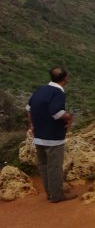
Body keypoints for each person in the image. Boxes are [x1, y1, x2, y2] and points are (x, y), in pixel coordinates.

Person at [26, 66, 76, 203]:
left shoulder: (41, 89)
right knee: (54, 167)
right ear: (65, 78)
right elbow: (57, 113)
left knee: (44, 166)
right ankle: (57, 196)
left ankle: (51, 193)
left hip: (39, 136)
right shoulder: (58, 93)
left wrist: (33, 126)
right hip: (53, 137)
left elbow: (29, 109)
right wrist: (69, 117)